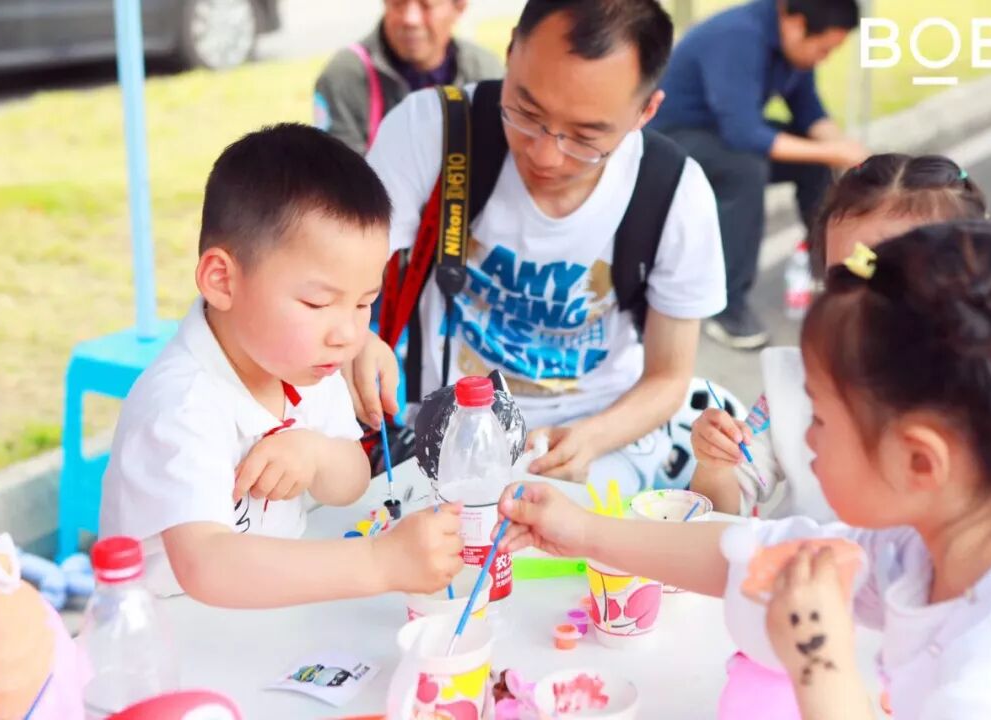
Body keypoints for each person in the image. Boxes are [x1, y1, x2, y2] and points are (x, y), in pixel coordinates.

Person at [494, 220, 991, 719]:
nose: (805, 436)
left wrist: (819, 662)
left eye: (820, 418)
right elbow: (746, 555)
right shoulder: (919, 552)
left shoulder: (988, 676)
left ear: (919, 461)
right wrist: (583, 531)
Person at [352, 0, 727, 491]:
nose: (546, 155)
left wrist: (590, 439)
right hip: (450, 433)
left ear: (646, 111)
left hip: (601, 433)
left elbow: (668, 378)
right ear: (510, 52)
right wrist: (356, 341)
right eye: (527, 112)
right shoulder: (433, 130)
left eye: (586, 137)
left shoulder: (674, 192)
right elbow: (342, 272)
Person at [99, 124, 463, 606]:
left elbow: (352, 478)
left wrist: (315, 455)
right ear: (222, 281)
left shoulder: (305, 364)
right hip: (174, 631)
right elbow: (208, 565)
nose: (348, 333)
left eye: (364, 303)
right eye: (317, 303)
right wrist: (379, 563)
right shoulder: (181, 405)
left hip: (268, 617)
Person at [690, 154, 989, 519]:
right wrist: (715, 463)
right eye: (843, 278)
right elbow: (718, 512)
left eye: (891, 276)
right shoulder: (796, 382)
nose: (862, 298)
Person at [649, 0, 867, 350]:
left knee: (815, 162)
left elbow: (808, 110)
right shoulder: (738, 37)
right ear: (796, 24)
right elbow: (744, 133)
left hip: (718, 131)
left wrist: (846, 151)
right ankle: (725, 306)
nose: (824, 58)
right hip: (668, 138)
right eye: (824, 49)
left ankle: (831, 268)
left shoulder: (792, 45)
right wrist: (835, 152)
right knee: (745, 169)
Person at [313, 0, 503, 154]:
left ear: (459, 6)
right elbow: (338, 178)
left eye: (426, 5)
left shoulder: (487, 73)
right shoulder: (343, 78)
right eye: (398, 3)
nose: (410, 19)